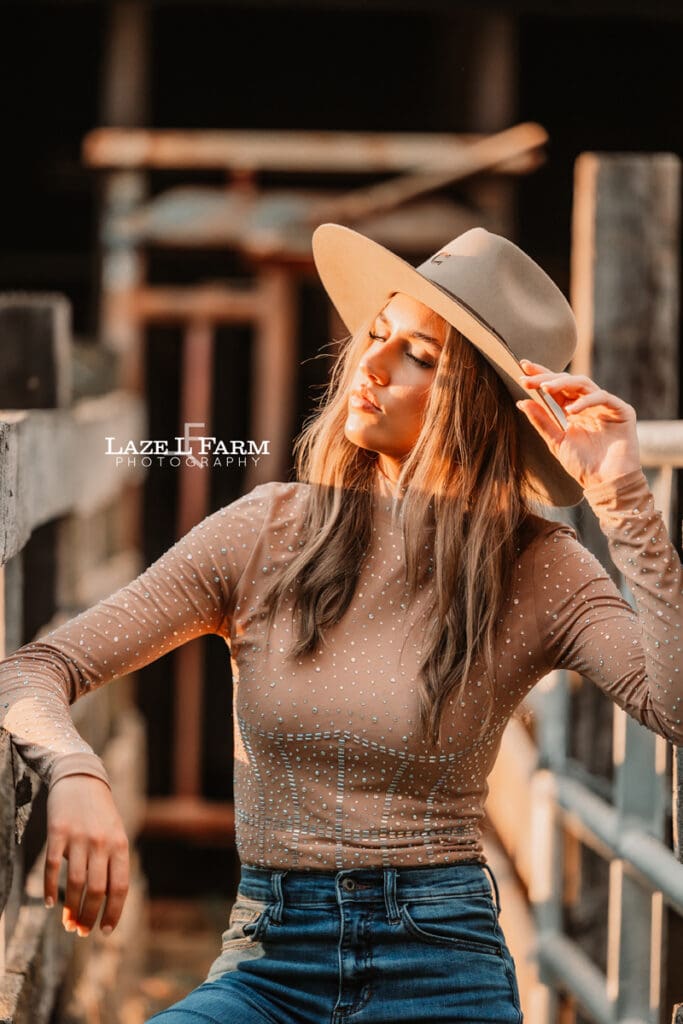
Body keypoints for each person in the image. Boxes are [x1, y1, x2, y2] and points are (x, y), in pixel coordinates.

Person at [0, 222, 681, 1024]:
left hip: (442, 959)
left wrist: (623, 498)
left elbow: (670, 706)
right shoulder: (267, 530)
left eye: (418, 358)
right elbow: (31, 669)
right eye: (378, 336)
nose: (372, 366)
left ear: (480, 407)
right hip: (267, 958)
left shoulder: (540, 566)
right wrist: (75, 770)